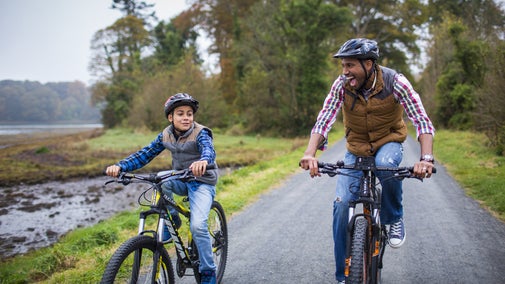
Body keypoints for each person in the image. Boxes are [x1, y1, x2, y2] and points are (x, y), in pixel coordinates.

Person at [299, 38, 435, 283]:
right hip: (356, 147)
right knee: (341, 206)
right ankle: (343, 276)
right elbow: (325, 119)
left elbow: (421, 120)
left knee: (385, 165)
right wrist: (310, 153)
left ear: (369, 64)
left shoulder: (396, 82)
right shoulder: (342, 85)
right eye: (343, 66)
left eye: (350, 65)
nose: (345, 71)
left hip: (389, 141)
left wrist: (425, 158)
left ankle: (393, 218)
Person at [105, 93, 219, 284]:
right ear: (170, 117)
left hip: (202, 182)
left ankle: (208, 271)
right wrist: (121, 166)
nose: (186, 117)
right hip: (180, 178)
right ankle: (172, 219)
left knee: (198, 226)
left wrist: (203, 161)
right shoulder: (165, 135)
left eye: (189, 114)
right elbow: (145, 154)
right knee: (161, 180)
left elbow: (208, 149)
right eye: (180, 113)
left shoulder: (201, 133)